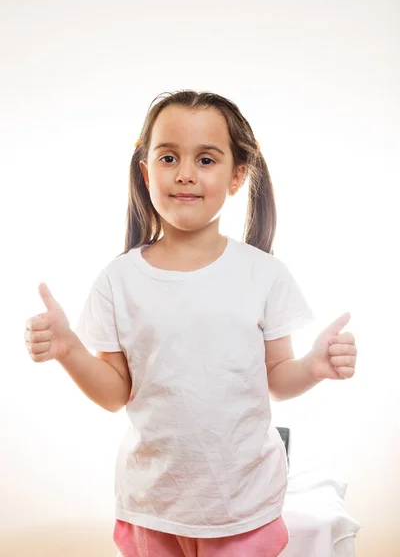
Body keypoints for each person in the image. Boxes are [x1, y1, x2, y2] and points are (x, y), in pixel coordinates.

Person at [24, 90, 357, 557]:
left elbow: (277, 380)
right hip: (152, 505)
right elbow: (115, 392)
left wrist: (314, 366)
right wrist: (68, 350)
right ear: (146, 171)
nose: (184, 173)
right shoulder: (119, 280)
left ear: (237, 174)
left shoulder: (262, 275)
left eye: (205, 159)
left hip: (244, 505)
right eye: (168, 157)